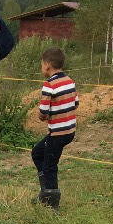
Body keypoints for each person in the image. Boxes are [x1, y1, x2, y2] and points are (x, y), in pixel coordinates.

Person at [31, 47, 77, 209]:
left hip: (57, 133)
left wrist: (42, 115)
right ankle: (45, 192)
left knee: (50, 166)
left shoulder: (49, 85)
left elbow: (43, 113)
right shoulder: (70, 81)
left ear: (47, 65)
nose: (42, 67)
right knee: (37, 153)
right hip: (69, 131)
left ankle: (52, 204)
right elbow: (75, 103)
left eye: (42, 64)